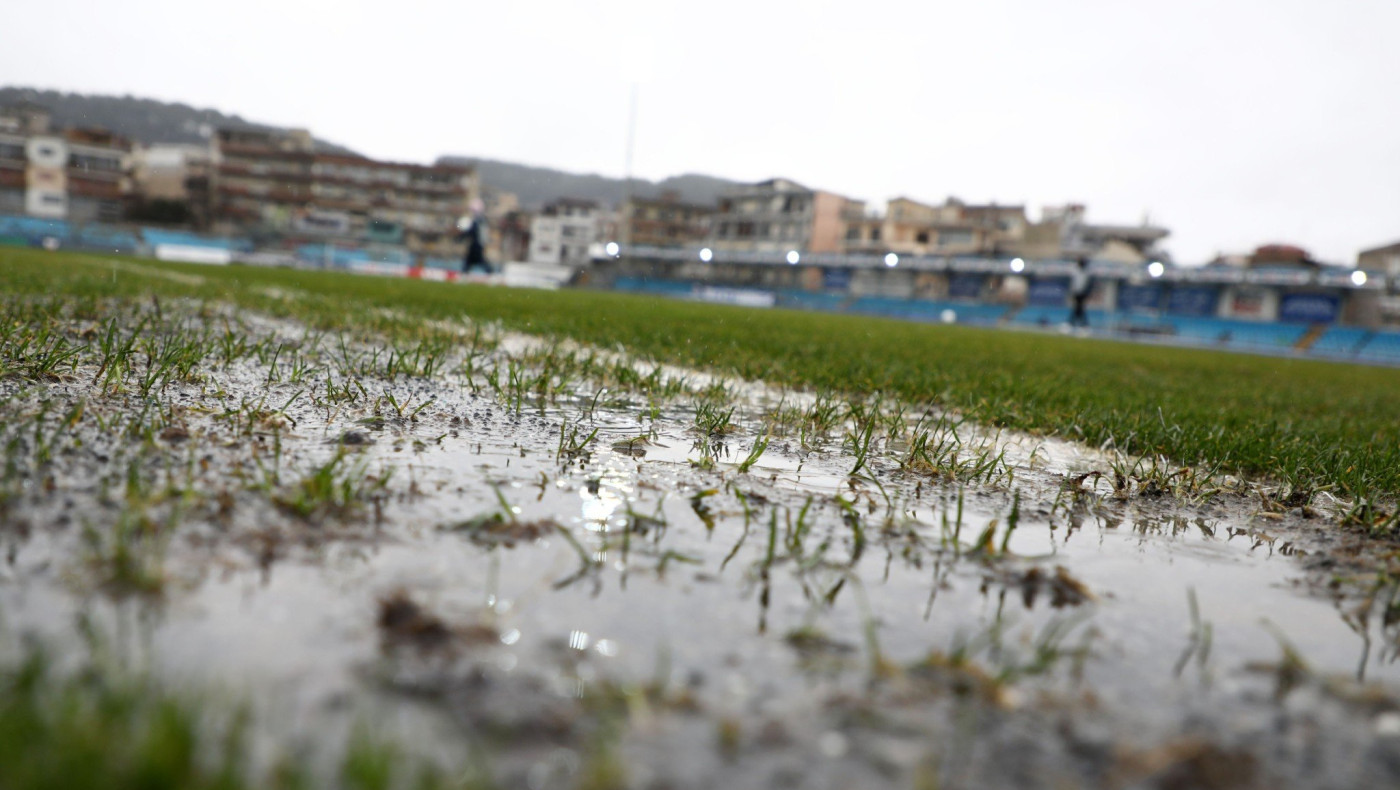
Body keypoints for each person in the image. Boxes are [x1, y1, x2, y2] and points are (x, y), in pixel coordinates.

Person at [457, 198, 491, 274]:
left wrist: (461, 237)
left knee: (477, 260)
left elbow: (470, 231)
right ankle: (464, 273)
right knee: (471, 261)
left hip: (476, 245)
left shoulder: (478, 221)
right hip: (479, 245)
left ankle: (491, 273)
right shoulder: (481, 220)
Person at [1068, 256, 1091, 328]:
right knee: (1078, 308)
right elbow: (1073, 283)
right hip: (1076, 292)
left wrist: (1086, 293)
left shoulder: (1086, 272)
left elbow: (1087, 284)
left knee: (1079, 308)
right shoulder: (1076, 271)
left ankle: (1075, 323)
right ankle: (1082, 324)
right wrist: (1072, 292)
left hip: (1082, 293)